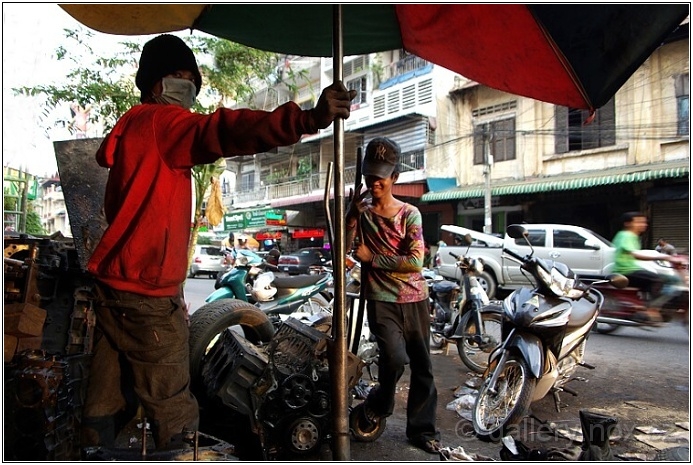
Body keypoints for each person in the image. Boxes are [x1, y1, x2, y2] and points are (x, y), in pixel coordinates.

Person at [82, 34, 356, 451]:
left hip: (113, 289)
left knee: (104, 400)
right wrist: (305, 119)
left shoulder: (132, 130)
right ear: (153, 84)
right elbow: (224, 130)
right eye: (176, 76)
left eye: (191, 78)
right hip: (145, 296)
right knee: (175, 411)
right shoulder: (162, 123)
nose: (186, 86)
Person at [346, 137, 441, 454]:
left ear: (395, 178)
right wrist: (349, 217)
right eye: (370, 177)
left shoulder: (410, 214)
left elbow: (416, 261)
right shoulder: (363, 214)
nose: (374, 184)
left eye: (381, 179)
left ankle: (422, 430)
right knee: (394, 358)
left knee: (423, 365)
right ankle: (380, 402)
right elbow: (347, 251)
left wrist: (373, 259)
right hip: (381, 300)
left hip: (414, 299)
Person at [612, 212, 680, 323]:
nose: (643, 224)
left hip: (631, 269)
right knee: (660, 280)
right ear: (627, 224)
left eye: (644, 222)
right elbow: (635, 254)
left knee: (662, 278)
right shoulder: (626, 235)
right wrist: (667, 257)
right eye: (638, 221)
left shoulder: (633, 236)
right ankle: (652, 309)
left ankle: (648, 306)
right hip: (625, 271)